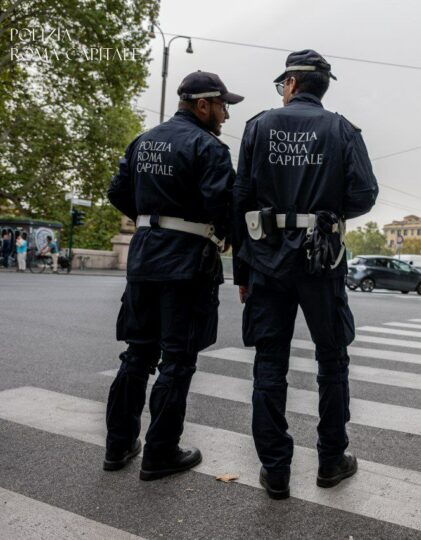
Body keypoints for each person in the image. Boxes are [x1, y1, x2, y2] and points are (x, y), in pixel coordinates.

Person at [232, 50, 378, 500]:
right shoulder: (342, 129)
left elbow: (240, 198)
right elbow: (365, 193)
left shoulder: (258, 127)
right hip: (322, 258)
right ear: (322, 86)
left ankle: (276, 469)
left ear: (292, 83)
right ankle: (331, 461)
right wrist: (326, 211)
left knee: (269, 363)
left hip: (266, 259)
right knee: (331, 360)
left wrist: (241, 269)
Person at [104, 71, 243, 480]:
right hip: (187, 264)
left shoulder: (143, 140)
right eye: (223, 106)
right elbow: (222, 205)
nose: (225, 115)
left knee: (137, 354)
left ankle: (118, 445)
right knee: (177, 360)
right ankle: (160, 452)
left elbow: (116, 191)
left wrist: (150, 220)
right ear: (203, 105)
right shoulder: (209, 147)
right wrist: (226, 238)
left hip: (145, 257)